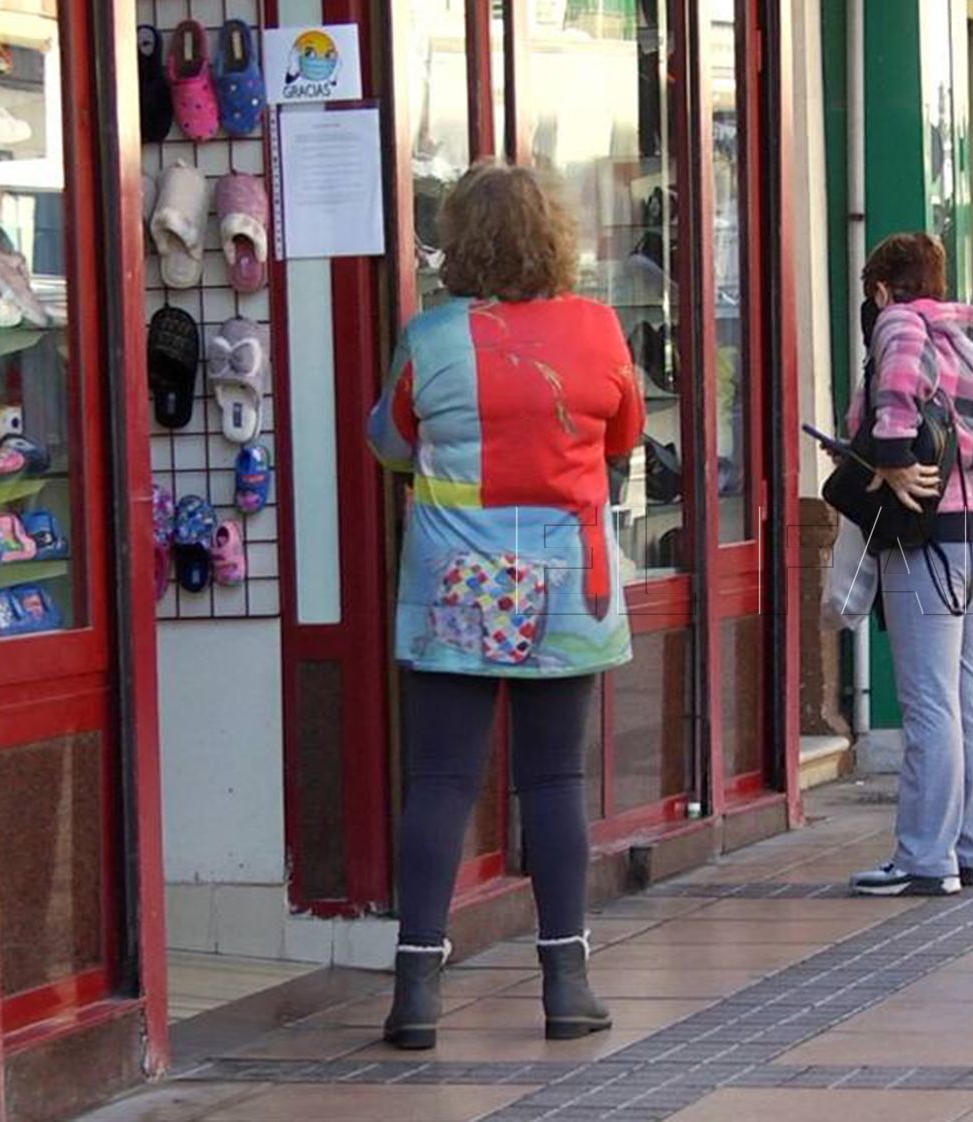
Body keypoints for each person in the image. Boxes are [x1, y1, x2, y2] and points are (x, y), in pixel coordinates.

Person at [368, 163, 644, 1048]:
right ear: (552, 237)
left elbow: (389, 442)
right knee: (555, 780)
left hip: (458, 584)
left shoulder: (430, 334)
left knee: (441, 781)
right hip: (568, 580)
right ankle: (565, 984)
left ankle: (416, 992)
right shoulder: (597, 327)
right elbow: (626, 431)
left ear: (459, 243)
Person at [847, 233, 973, 898]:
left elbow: (893, 405)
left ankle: (924, 855)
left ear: (884, 288)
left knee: (927, 701)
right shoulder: (970, 337)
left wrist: (889, 462)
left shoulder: (900, 322)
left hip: (932, 532)